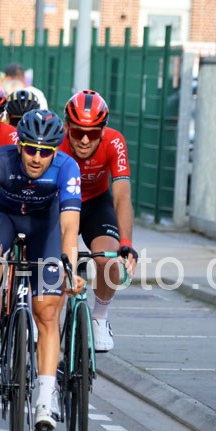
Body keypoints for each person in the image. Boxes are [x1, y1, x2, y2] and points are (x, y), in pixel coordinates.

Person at [0, 110, 84, 430]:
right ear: (20, 145)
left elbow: (69, 227)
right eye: (31, 149)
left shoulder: (67, 167)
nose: (36, 158)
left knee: (46, 310)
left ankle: (45, 396)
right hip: (5, 218)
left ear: (55, 151)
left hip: (45, 225)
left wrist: (69, 266)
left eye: (45, 152)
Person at [59, 90, 138, 351]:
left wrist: (126, 243)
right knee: (51, 260)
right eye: (77, 132)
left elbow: (122, 196)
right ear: (66, 127)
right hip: (61, 203)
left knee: (108, 260)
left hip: (95, 203)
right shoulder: (56, 142)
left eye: (92, 134)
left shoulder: (115, 141)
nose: (84, 140)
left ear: (103, 131)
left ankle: (100, 317)